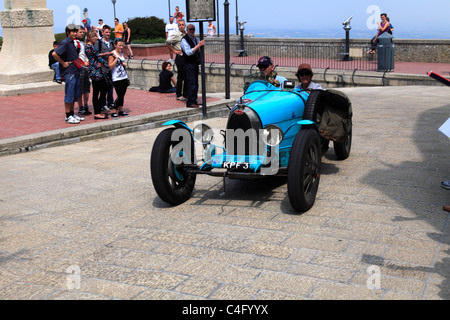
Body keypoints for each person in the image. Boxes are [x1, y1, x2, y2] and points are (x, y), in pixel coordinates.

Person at [52, 24, 85, 124]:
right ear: (68, 32)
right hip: (69, 71)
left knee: (74, 93)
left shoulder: (72, 42)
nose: (75, 33)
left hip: (75, 70)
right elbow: (55, 54)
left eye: (75, 31)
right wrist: (63, 63)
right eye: (73, 32)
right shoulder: (66, 42)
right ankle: (68, 115)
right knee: (69, 93)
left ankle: (71, 113)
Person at [85, 30, 109, 120]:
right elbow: (93, 59)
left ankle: (98, 111)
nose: (95, 38)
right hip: (96, 72)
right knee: (101, 90)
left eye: (95, 36)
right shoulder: (89, 47)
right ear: (89, 38)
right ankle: (97, 112)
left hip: (96, 70)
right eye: (93, 36)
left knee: (98, 91)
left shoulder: (90, 46)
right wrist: (99, 64)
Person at [181, 24, 205, 108]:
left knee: (195, 82)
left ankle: (194, 100)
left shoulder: (195, 39)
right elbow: (188, 52)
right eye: (190, 29)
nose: (192, 31)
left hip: (194, 63)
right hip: (188, 63)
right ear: (187, 30)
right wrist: (198, 46)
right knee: (191, 82)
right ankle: (190, 102)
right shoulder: (184, 40)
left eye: (193, 29)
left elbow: (197, 48)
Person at [166, 19, 187, 101]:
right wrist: (174, 50)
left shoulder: (186, 35)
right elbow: (167, 43)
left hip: (186, 57)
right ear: (178, 26)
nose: (181, 26)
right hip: (180, 57)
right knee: (180, 77)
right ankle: (178, 94)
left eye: (183, 25)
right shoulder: (176, 35)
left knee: (186, 77)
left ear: (185, 26)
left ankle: (185, 94)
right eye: (180, 25)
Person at [95, 25, 115, 111]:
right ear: (102, 33)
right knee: (103, 87)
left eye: (109, 32)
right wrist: (104, 54)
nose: (108, 34)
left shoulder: (111, 42)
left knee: (110, 86)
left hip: (110, 67)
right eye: (106, 32)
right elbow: (95, 54)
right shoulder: (99, 42)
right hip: (102, 67)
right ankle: (102, 104)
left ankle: (110, 102)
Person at [108, 39, 130, 118]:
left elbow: (122, 63)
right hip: (116, 78)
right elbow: (110, 66)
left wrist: (123, 64)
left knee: (122, 95)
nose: (121, 47)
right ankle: (113, 110)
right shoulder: (112, 54)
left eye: (122, 45)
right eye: (119, 45)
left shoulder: (121, 53)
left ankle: (120, 110)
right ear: (115, 45)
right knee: (120, 95)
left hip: (124, 76)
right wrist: (116, 59)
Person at [74, 28, 92, 116]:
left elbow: (83, 54)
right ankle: (80, 107)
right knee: (80, 89)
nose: (82, 34)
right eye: (80, 32)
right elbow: (74, 57)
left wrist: (87, 61)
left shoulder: (82, 43)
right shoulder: (74, 43)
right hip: (78, 68)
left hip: (85, 67)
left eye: (82, 32)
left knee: (86, 88)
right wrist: (82, 63)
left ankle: (85, 106)